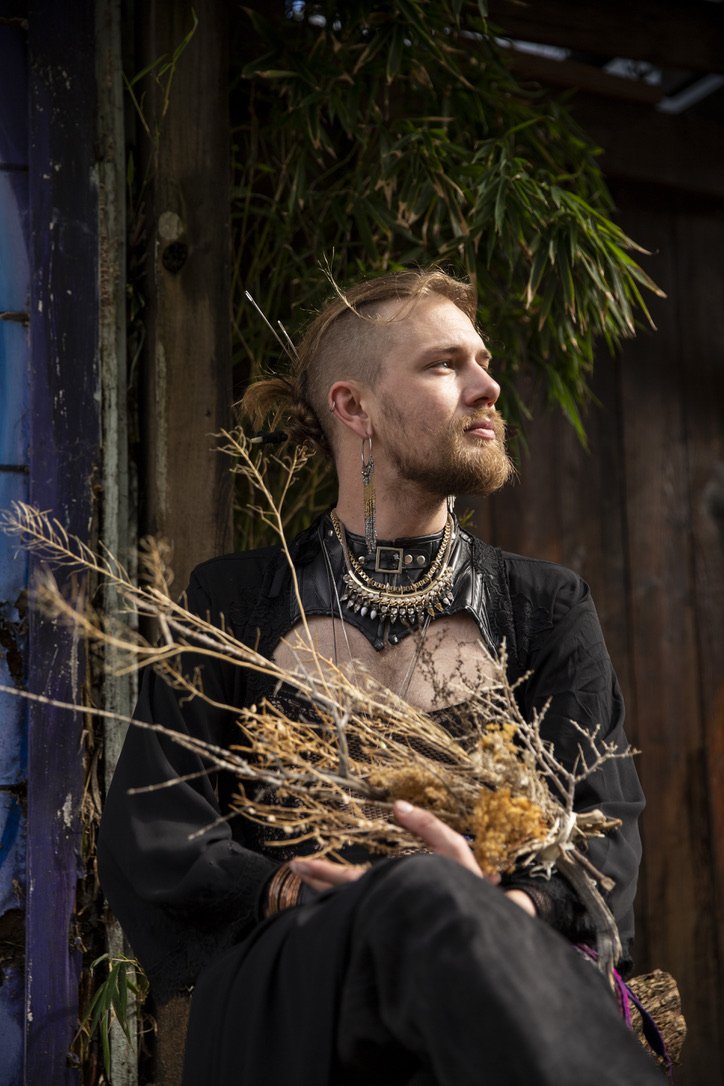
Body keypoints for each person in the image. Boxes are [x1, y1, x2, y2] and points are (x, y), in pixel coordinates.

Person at [98, 268, 662, 1084]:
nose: (488, 386)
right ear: (353, 407)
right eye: (445, 365)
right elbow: (153, 829)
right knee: (421, 899)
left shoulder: (546, 609)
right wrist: (289, 888)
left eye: (483, 360)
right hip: (296, 989)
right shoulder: (236, 601)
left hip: (500, 985)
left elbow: (604, 835)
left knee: (436, 905)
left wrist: (495, 913)